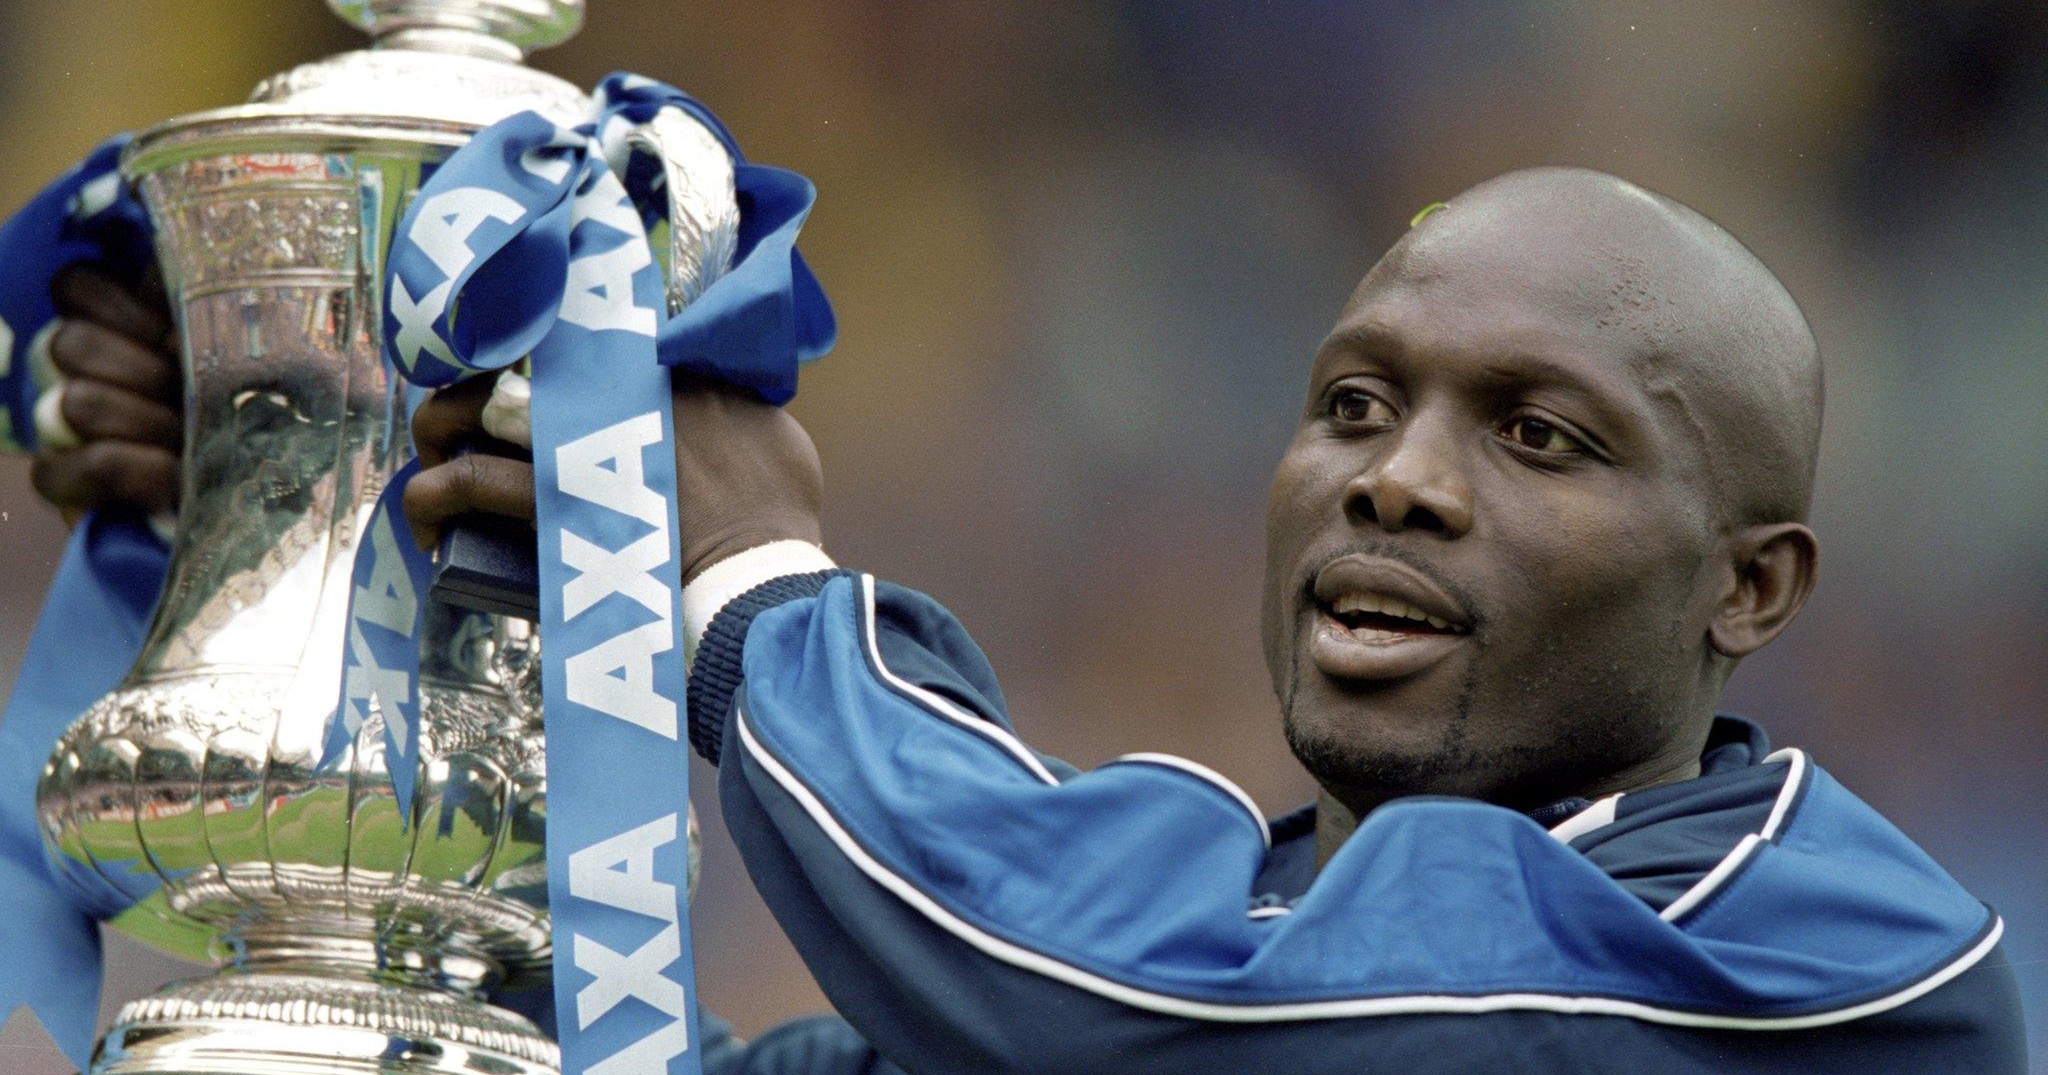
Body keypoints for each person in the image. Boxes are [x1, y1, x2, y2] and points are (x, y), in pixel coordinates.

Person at [15, 167, 2027, 1073]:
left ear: (1748, 588)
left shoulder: (1818, 965)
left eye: (1537, 434)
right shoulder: (1229, 944)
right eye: (1349, 404)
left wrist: (746, 585)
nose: (1394, 480)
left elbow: (1138, 1007)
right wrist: (319, 500)